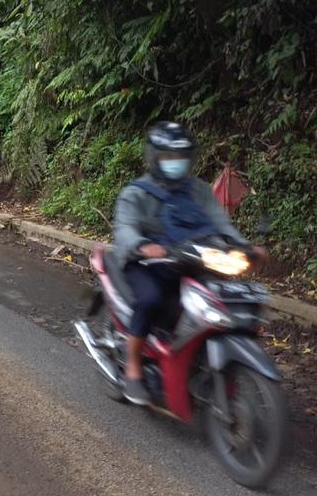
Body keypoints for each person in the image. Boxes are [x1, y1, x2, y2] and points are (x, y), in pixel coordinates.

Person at [112, 121, 265, 406]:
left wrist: (243, 247)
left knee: (218, 300)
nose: (176, 163)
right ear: (155, 157)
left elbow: (222, 225)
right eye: (169, 156)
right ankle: (133, 368)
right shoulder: (135, 193)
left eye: (181, 157)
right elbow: (125, 230)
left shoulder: (199, 190)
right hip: (146, 264)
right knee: (151, 300)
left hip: (191, 260)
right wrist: (143, 246)